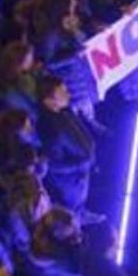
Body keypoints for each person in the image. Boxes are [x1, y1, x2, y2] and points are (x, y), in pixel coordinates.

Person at [35, 76, 95, 213]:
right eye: (61, 93)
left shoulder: (65, 112)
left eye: (66, 90)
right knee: (74, 210)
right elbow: (54, 165)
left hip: (81, 176)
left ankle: (83, 211)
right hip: (71, 186)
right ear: (49, 101)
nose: (68, 94)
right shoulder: (51, 129)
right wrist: (82, 164)